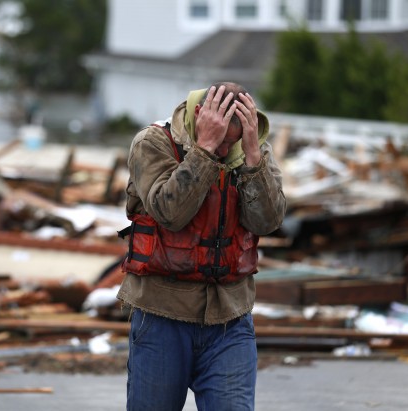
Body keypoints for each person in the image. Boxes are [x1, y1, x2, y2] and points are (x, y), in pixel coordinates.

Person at [117, 82, 286, 411]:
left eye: (232, 142)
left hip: (230, 321)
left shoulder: (251, 150)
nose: (226, 151)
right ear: (200, 117)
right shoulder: (153, 143)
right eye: (221, 140)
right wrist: (205, 151)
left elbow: (267, 222)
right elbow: (170, 213)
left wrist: (252, 158)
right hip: (162, 315)